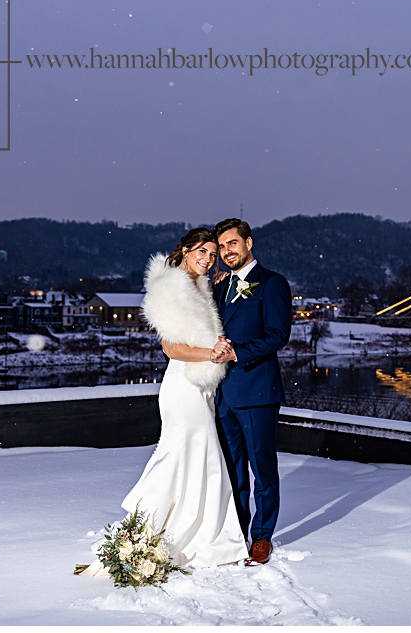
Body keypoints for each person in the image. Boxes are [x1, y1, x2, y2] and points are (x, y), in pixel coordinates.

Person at [78, 228, 247, 576]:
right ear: (185, 250)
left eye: (213, 254)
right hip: (183, 385)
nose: (207, 259)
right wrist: (212, 353)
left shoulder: (197, 286)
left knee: (199, 456)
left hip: (201, 386)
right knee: (179, 454)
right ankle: (144, 533)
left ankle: (201, 536)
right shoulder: (170, 288)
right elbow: (171, 348)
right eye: (202, 251)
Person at [211, 218, 292, 566]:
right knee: (232, 471)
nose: (227, 251)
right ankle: (236, 532)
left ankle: (261, 537)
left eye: (232, 244)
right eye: (222, 247)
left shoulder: (272, 283)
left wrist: (238, 352)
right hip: (223, 395)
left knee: (262, 469)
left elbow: (278, 335)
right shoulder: (220, 287)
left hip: (257, 391)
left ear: (248, 243)